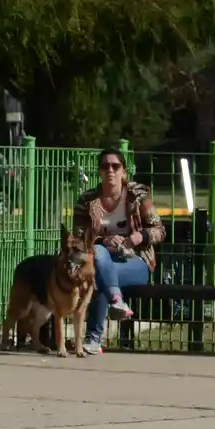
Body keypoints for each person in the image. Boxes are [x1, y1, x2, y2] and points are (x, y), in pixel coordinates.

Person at [71, 147, 166, 355]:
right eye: (105, 166)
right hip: (102, 257)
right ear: (99, 171)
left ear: (124, 171)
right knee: (98, 256)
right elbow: (78, 238)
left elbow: (160, 230)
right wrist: (104, 240)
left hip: (136, 261)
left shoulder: (138, 196)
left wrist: (140, 236)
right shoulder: (87, 201)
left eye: (116, 166)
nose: (111, 171)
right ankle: (116, 300)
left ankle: (94, 338)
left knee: (101, 274)